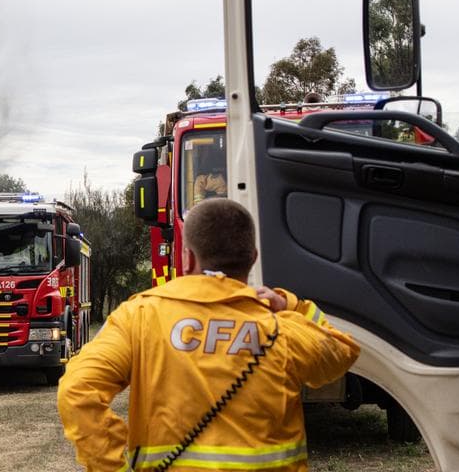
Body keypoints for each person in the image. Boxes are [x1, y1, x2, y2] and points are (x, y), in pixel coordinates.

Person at [57, 198, 360, 471]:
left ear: (188, 258)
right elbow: (341, 351)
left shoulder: (139, 316)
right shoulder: (279, 327)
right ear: (252, 258)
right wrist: (292, 304)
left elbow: (77, 390)